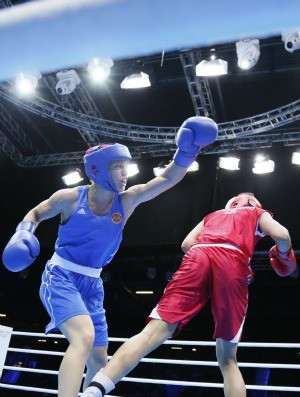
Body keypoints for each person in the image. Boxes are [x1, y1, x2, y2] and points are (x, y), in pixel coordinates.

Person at [1, 116, 218, 397]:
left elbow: (167, 178)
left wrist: (188, 151)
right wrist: (23, 232)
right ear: (98, 169)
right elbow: (36, 213)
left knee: (99, 361)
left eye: (125, 167)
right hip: (61, 276)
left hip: (93, 284)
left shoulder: (126, 201)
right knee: (83, 338)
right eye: (118, 167)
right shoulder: (69, 198)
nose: (124, 174)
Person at [81, 192, 297, 397]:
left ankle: (94, 390)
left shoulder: (213, 216)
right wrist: (284, 255)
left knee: (151, 333)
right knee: (228, 360)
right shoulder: (256, 213)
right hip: (233, 262)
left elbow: (186, 244)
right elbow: (282, 234)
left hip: (198, 254)